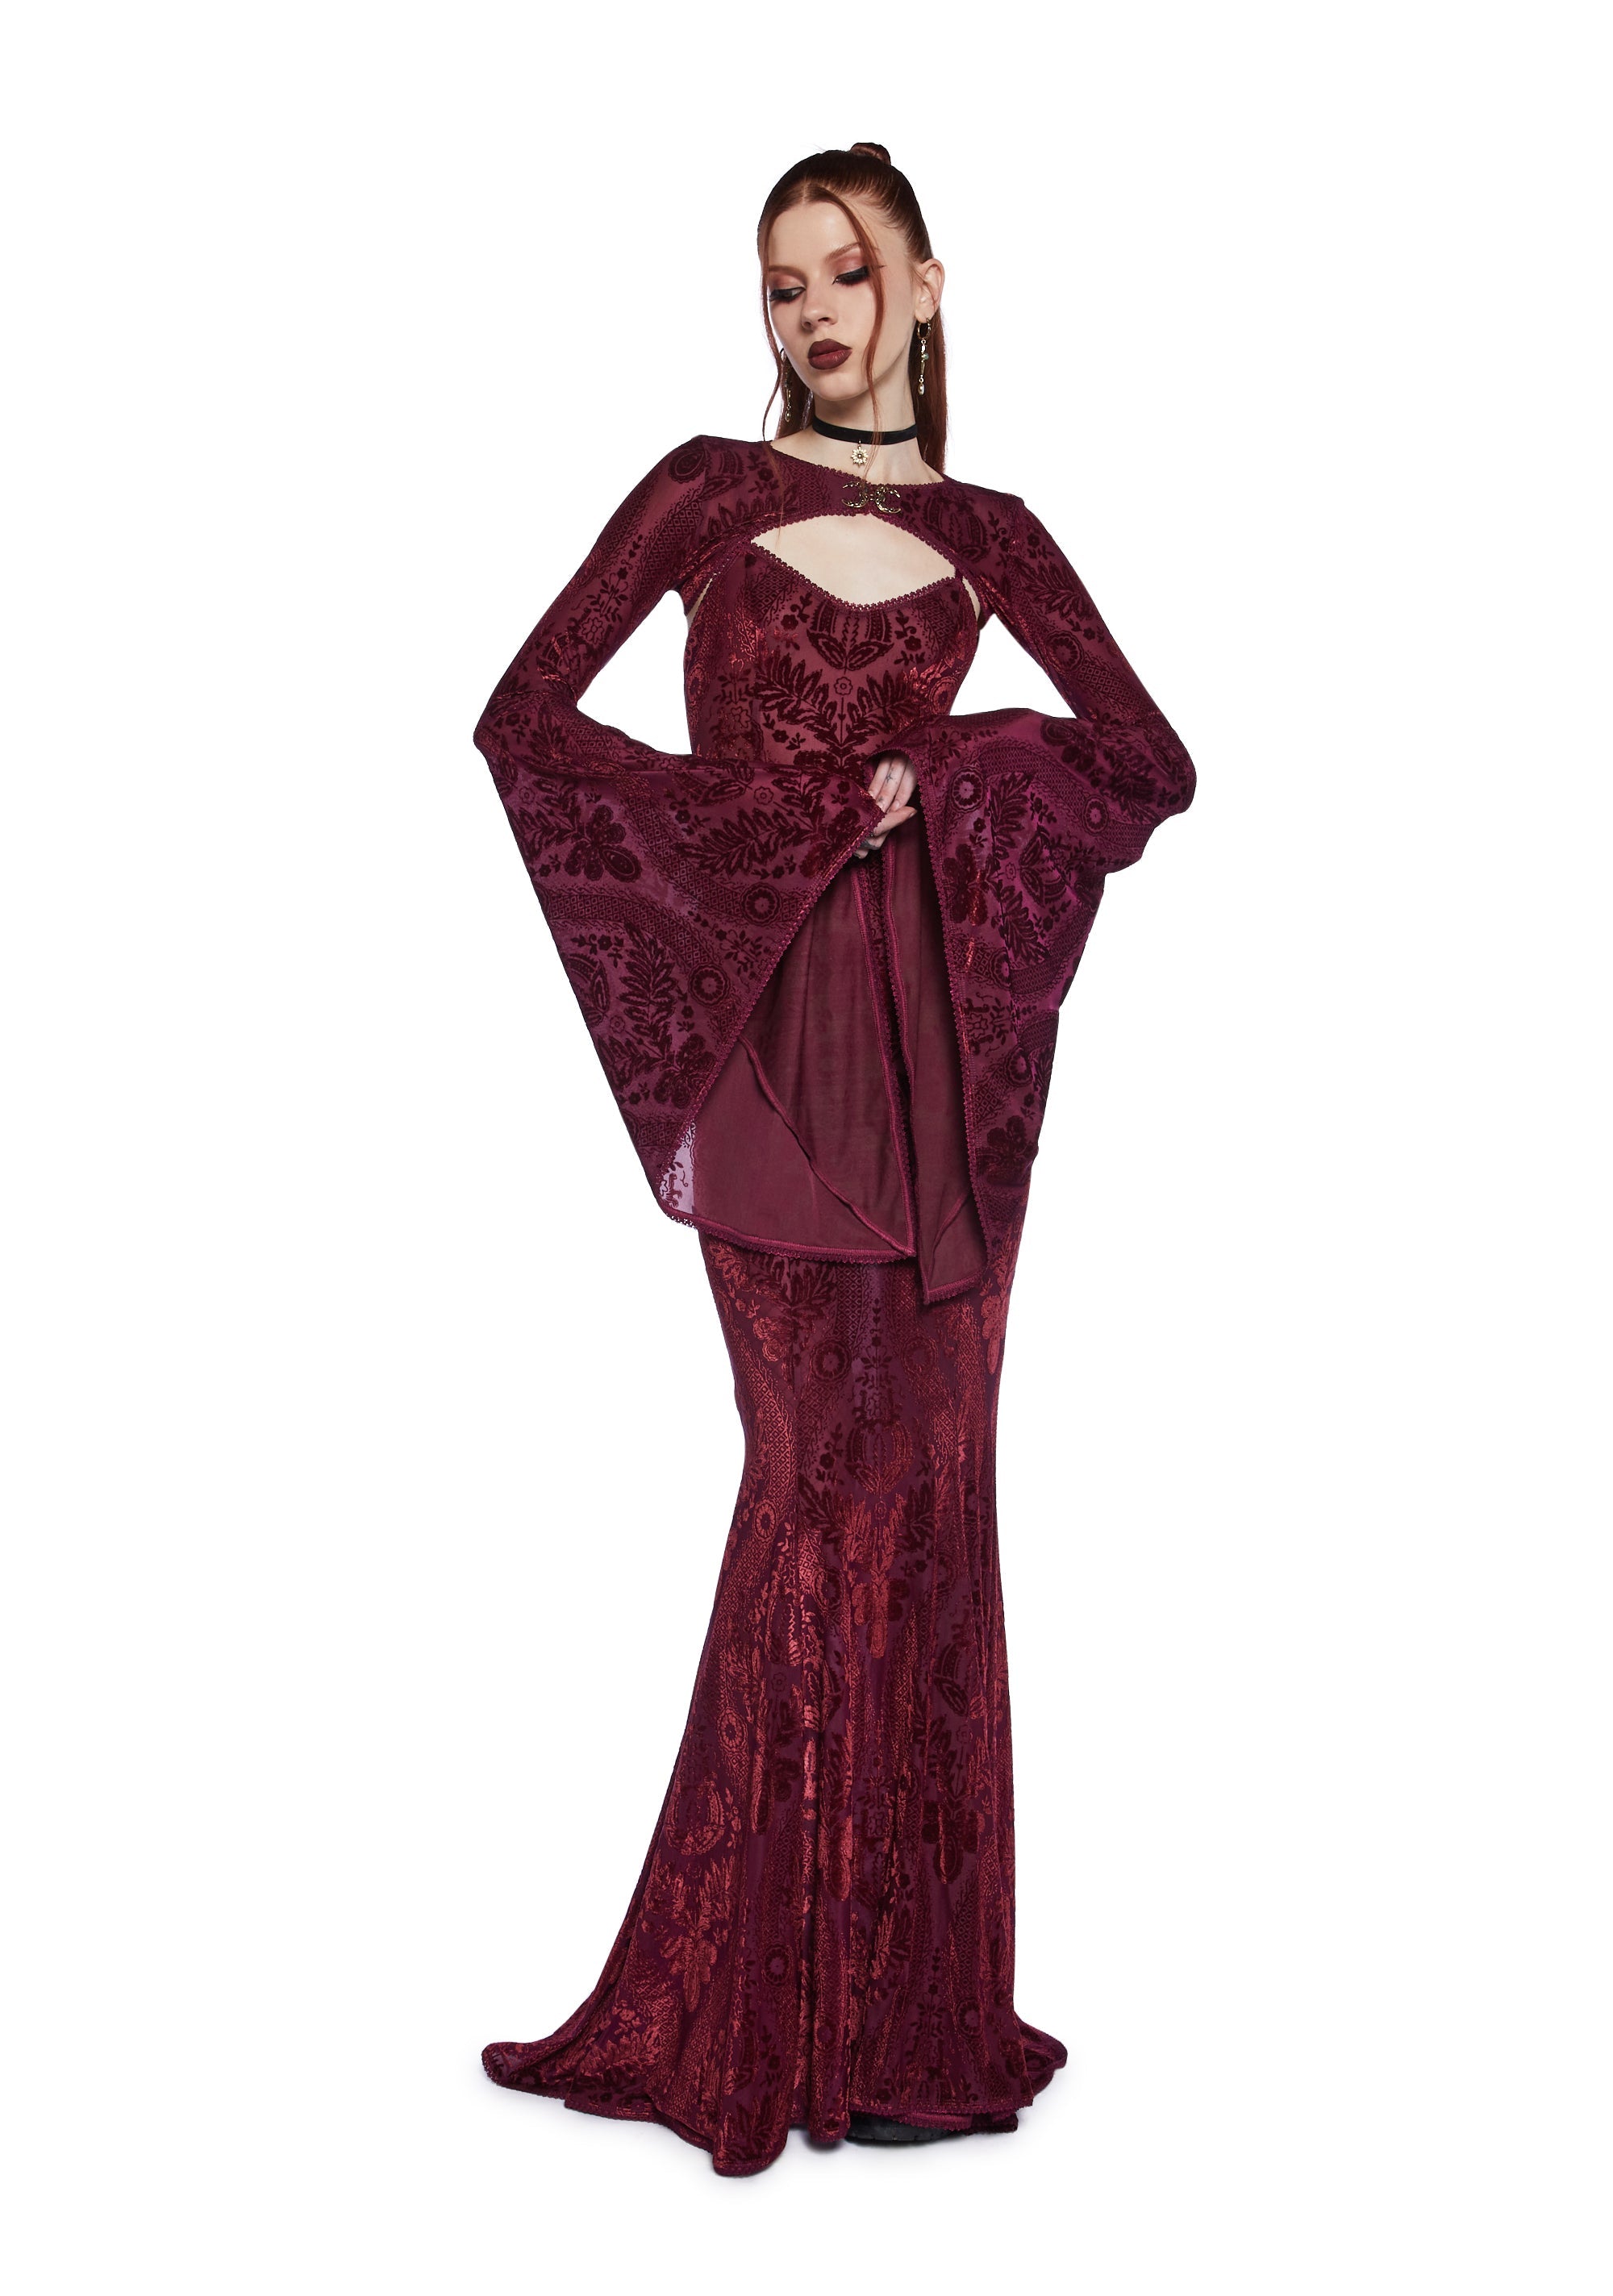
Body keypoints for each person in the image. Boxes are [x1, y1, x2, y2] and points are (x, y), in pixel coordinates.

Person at [473, 143, 1195, 2177]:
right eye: (782, 283)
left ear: (924, 288)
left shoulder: (991, 533)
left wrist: (942, 768)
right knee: (811, 1472)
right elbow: (523, 720)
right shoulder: (705, 493)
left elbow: (1145, 763)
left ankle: (908, 2015)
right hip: (777, 1057)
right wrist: (758, 836)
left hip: (940, 1066)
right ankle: (745, 1995)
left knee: (932, 1481)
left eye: (846, 273)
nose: (812, 313)